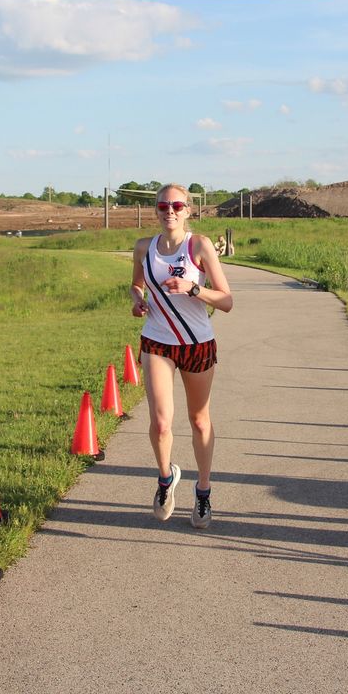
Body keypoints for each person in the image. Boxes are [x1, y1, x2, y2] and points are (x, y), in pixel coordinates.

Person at [130, 184, 234, 529]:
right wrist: (137, 300)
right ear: (156, 210)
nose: (169, 211)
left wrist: (194, 289)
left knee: (199, 420)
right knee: (161, 422)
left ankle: (203, 491)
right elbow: (137, 285)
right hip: (157, 342)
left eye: (176, 205)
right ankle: (165, 479)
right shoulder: (144, 248)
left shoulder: (199, 246)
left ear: (188, 210)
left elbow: (226, 301)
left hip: (197, 343)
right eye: (162, 206)